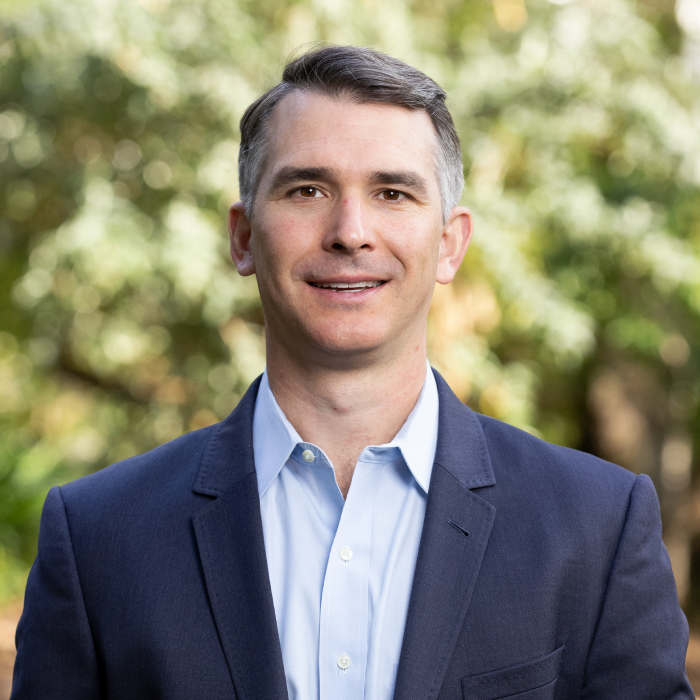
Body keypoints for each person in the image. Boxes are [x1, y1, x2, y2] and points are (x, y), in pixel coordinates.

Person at [11, 45, 693, 700]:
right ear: (244, 238)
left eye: (393, 193)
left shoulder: (596, 528)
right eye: (308, 189)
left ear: (450, 244)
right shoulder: (99, 536)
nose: (351, 231)